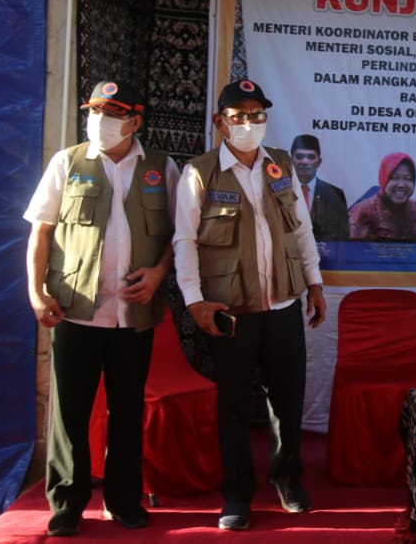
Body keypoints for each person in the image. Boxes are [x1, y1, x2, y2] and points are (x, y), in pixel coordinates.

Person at [24, 79, 179, 537]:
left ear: (134, 121)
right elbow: (41, 232)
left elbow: (178, 236)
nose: (99, 122)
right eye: (93, 112)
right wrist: (36, 292)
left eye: (110, 115)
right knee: (70, 412)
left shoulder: (160, 168)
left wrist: (157, 275)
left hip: (134, 315)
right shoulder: (67, 163)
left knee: (128, 409)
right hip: (75, 310)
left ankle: (123, 499)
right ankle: (67, 504)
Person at [172, 78, 326, 531]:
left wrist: (315, 284)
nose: (248, 123)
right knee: (234, 405)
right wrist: (195, 302)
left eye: (256, 115)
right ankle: (237, 494)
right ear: (221, 124)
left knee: (288, 400)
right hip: (230, 312)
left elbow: (301, 230)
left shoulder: (280, 166)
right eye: (237, 116)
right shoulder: (199, 173)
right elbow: (184, 241)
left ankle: (287, 481)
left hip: (282, 307)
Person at [348, 152, 416, 241]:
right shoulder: (364, 211)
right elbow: (354, 251)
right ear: (383, 179)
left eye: (407, 178)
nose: (401, 184)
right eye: (395, 178)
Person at [290, 133, 349, 241]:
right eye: (299, 156)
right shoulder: (280, 191)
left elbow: (343, 236)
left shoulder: (335, 194)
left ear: (319, 162)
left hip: (325, 256)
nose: (304, 161)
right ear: (291, 160)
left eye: (311, 157)